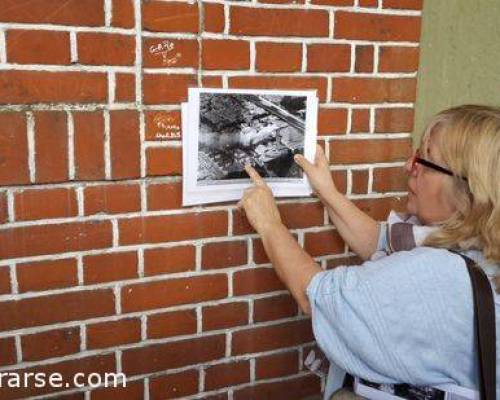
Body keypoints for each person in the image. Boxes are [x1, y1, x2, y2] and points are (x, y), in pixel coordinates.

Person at [237, 105, 500, 399]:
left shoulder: (437, 275)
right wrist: (327, 192)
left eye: (423, 162)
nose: (407, 167)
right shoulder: (477, 247)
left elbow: (321, 297)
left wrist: (269, 224)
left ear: (468, 190)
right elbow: (381, 242)